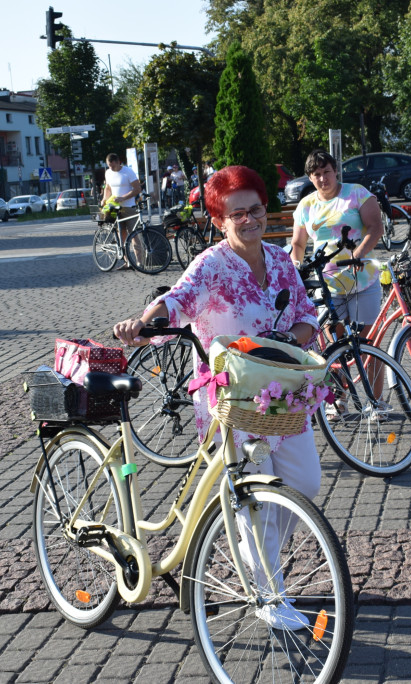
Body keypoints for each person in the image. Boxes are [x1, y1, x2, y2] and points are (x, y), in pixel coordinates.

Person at [114, 165, 319, 631]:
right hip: (233, 398)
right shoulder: (211, 265)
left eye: (256, 209)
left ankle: (255, 558)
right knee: (256, 497)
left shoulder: (281, 260)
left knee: (304, 484)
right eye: (237, 213)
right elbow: (176, 300)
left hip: (281, 391)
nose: (250, 219)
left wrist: (290, 336)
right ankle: (268, 593)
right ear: (220, 221)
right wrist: (142, 322)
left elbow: (308, 315)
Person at [290, 150, 386, 415]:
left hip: (362, 279)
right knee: (334, 347)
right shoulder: (306, 206)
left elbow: (375, 226)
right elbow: (298, 243)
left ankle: (376, 402)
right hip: (328, 285)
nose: (323, 178)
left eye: (327, 172)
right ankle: (339, 401)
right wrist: (294, 268)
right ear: (311, 177)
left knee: (369, 344)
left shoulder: (357, 193)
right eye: (316, 174)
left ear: (336, 171)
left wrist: (357, 255)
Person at [100, 152, 142, 268]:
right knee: (121, 236)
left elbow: (137, 188)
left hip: (129, 207)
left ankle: (139, 262)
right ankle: (127, 262)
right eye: (109, 165)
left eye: (112, 165)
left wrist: (123, 198)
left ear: (118, 162)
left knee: (134, 235)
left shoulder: (127, 172)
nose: (111, 168)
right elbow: (108, 188)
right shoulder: (108, 173)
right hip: (115, 208)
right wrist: (104, 199)